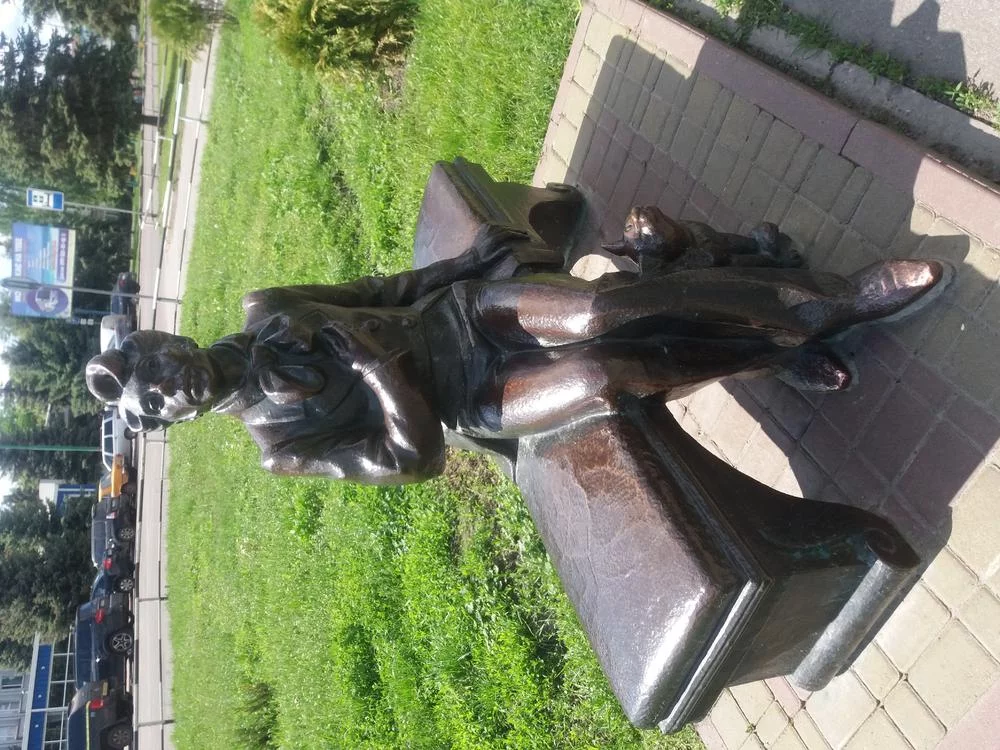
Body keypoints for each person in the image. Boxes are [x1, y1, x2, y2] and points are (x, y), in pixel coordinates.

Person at [86, 226, 949, 485]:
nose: (167, 386)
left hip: (465, 316)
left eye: (153, 366)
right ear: (178, 423)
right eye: (154, 404)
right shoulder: (281, 446)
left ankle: (832, 300)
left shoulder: (266, 307)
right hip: (476, 397)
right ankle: (762, 355)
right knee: (608, 375)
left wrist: (463, 265)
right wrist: (384, 373)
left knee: (603, 310)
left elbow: (381, 290)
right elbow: (411, 459)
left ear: (164, 336)